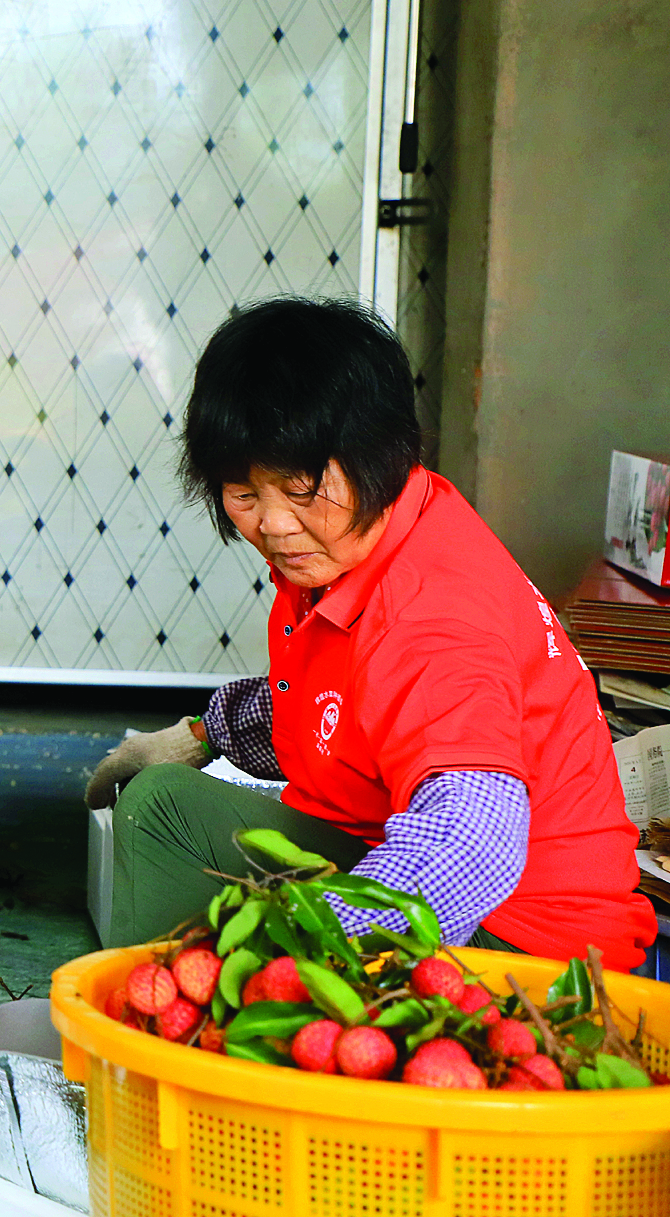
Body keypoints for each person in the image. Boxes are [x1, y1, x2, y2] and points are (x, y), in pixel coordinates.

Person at [87, 297, 649, 966]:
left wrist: (296, 957)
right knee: (169, 801)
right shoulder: (376, 533)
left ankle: (164, 1022)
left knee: (167, 819)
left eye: (302, 488)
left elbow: (471, 843)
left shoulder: (436, 617)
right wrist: (201, 737)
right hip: (427, 869)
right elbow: (340, 702)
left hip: (526, 949)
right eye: (244, 493)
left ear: (379, 455)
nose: (275, 525)